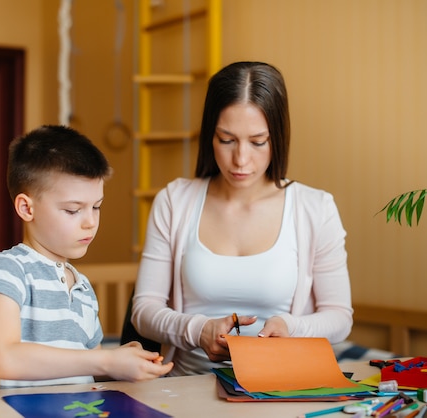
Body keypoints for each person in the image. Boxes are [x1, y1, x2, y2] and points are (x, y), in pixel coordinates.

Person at [131, 61, 353, 376]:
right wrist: (198, 330)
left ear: (277, 137)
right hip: (185, 388)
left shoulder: (315, 208)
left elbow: (339, 316)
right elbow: (144, 311)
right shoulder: (174, 201)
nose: (241, 159)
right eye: (227, 140)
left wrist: (291, 326)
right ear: (210, 135)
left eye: (258, 142)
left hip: (280, 386)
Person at [0, 125, 173, 389]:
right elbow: (5, 359)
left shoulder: (82, 288)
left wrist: (122, 361)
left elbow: (92, 366)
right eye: (72, 210)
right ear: (26, 208)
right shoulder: (9, 270)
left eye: (97, 207)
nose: (90, 222)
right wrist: (105, 361)